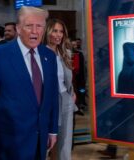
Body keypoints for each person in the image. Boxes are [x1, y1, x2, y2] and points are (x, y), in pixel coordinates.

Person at [0, 6, 59, 160]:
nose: (35, 31)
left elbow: (52, 96)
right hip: (8, 142)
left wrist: (52, 130)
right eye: (29, 26)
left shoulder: (49, 56)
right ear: (18, 29)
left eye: (39, 26)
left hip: (40, 140)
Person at [43, 18, 77, 160]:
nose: (58, 35)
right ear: (47, 32)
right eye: (55, 31)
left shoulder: (65, 53)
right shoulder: (39, 53)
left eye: (61, 32)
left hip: (65, 99)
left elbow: (67, 78)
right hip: (46, 101)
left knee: (65, 143)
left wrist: (72, 93)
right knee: (46, 142)